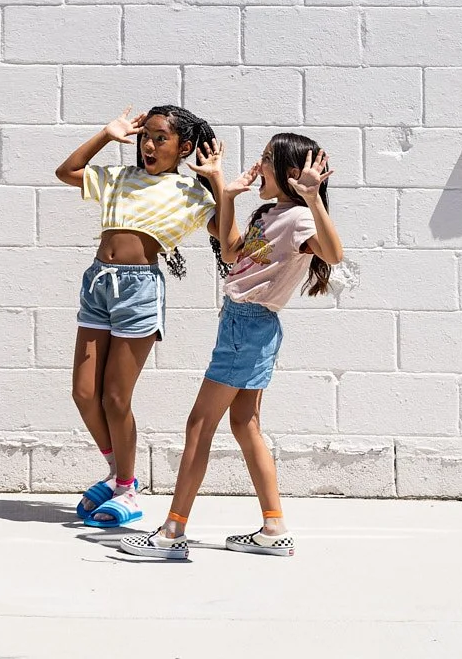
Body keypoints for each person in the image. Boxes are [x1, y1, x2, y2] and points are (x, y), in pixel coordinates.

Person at [117, 130, 343, 563]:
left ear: (292, 174)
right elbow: (232, 249)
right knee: (245, 424)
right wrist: (226, 191)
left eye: (266, 160)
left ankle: (172, 531)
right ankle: (273, 528)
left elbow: (332, 255)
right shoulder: (267, 213)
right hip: (243, 325)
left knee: (199, 425)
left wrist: (313, 199)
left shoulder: (299, 217)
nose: (258, 166)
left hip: (250, 327)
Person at [54, 103, 220, 529]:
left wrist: (215, 180)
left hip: (138, 290)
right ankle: (117, 474)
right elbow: (66, 171)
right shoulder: (121, 178)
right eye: (146, 136)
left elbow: (225, 233)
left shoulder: (191, 194)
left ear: (184, 147)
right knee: (84, 394)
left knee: (115, 398)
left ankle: (127, 488)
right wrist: (107, 135)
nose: (148, 144)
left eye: (160, 138)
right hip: (97, 284)